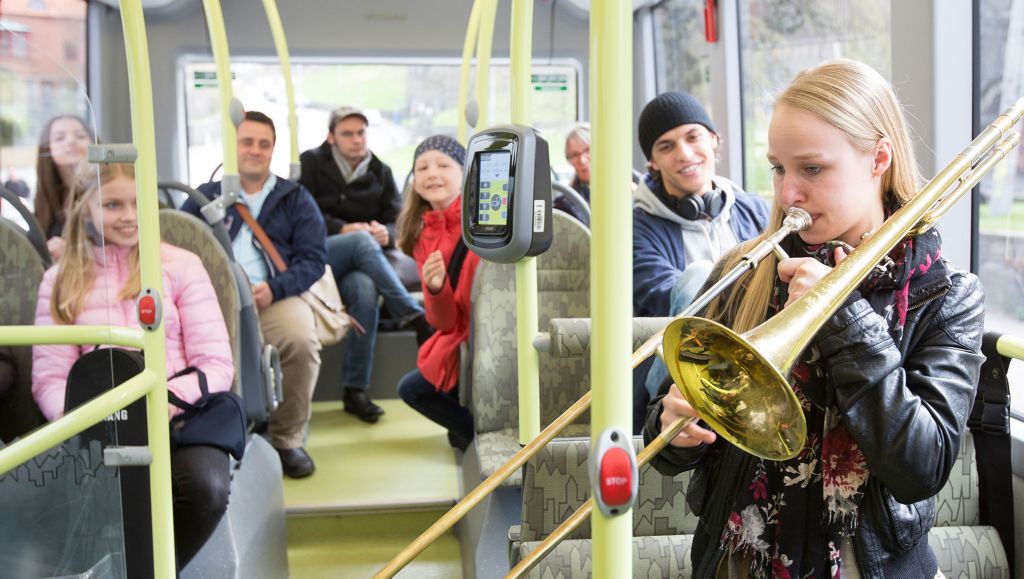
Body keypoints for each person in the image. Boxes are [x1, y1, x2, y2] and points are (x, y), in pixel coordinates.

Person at [644, 59, 985, 578]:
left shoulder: (948, 295)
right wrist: (672, 430)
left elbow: (923, 467)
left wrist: (842, 315)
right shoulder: (745, 272)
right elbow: (670, 435)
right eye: (779, 168)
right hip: (738, 561)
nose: (787, 195)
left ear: (879, 159)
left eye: (812, 169)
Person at [32, 162, 234, 569]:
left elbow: (213, 364)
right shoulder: (61, 280)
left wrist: (157, 408)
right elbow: (50, 378)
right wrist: (87, 419)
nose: (128, 216)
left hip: (177, 417)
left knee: (206, 488)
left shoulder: (180, 266)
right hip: (95, 421)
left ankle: (158, 570)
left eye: (137, 204)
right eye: (112, 205)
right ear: (85, 208)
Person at [182, 111, 327, 479]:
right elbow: (178, 246)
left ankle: (287, 438)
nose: (255, 150)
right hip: (213, 303)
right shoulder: (202, 198)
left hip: (274, 296)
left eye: (264, 144)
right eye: (247, 142)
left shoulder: (295, 198)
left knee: (301, 341)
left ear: (273, 150)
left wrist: (274, 288)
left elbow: (313, 260)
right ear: (232, 148)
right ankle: (217, 437)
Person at [632, 91, 770, 429]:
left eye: (693, 137)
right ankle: (666, 414)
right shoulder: (634, 227)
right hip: (673, 365)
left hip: (757, 349)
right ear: (652, 162)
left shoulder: (756, 210)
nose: (684, 154)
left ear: (713, 140)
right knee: (697, 278)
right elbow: (665, 295)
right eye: (666, 146)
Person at [299, 106, 430, 424]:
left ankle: (354, 390)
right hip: (320, 253)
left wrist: (386, 233)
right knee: (359, 241)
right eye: (348, 133)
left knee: (365, 289)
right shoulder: (311, 163)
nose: (357, 140)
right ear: (331, 137)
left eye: (361, 133)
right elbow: (301, 213)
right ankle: (412, 313)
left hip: (360, 262)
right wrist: (342, 229)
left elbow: (397, 220)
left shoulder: (381, 171)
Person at [395, 135, 478, 452]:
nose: (432, 173)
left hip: (484, 330)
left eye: (443, 165)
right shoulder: (420, 233)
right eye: (422, 168)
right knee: (411, 389)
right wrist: (435, 288)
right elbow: (444, 321)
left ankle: (476, 436)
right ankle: (475, 434)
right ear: (414, 183)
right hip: (458, 333)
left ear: (465, 173)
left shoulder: (484, 222)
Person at [35, 115, 93, 260]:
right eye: (60, 138)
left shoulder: (105, 192)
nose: (71, 141)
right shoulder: (45, 201)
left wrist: (72, 252)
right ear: (47, 148)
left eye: (80, 136)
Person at [557, 123, 591, 223]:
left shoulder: (629, 188)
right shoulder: (565, 204)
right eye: (575, 155)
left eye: (587, 150)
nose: (582, 160)